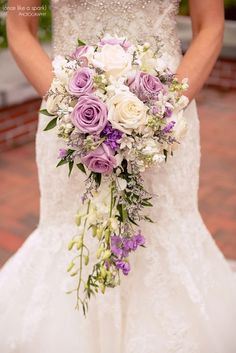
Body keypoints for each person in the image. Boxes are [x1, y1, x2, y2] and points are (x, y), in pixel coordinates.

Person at [1, 0, 236, 352]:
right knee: (73, 229)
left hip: (168, 117)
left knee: (163, 228)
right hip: (68, 121)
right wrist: (72, 107)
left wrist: (160, 112)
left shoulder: (164, 113)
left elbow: (210, 25)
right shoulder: (70, 111)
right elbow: (21, 27)